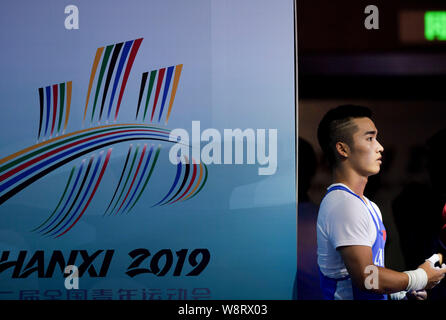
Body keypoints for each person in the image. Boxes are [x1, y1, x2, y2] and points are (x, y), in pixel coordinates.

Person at [316, 104, 446, 300]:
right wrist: (419, 277)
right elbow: (366, 278)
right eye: (370, 138)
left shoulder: (367, 205)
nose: (380, 147)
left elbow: (365, 278)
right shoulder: (343, 204)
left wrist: (399, 293)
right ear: (342, 149)